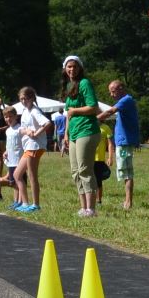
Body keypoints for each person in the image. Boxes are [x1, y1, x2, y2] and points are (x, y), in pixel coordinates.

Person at [59, 56, 102, 216]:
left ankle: (91, 209)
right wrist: (65, 134)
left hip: (87, 130)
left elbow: (93, 107)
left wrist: (75, 111)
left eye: (75, 67)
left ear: (80, 68)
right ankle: (83, 207)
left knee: (85, 169)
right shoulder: (69, 85)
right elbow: (68, 115)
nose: (72, 69)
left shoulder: (84, 83)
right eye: (69, 67)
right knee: (75, 171)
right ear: (65, 68)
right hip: (74, 132)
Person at [99, 79, 140, 211]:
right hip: (123, 142)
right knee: (124, 171)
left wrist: (94, 119)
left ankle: (128, 202)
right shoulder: (125, 101)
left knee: (126, 172)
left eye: (113, 91)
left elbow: (111, 111)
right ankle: (127, 200)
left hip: (125, 142)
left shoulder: (126, 100)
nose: (111, 95)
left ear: (121, 88)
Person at [14, 87, 49, 213]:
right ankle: (24, 203)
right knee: (17, 175)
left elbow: (47, 123)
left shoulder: (34, 111)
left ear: (32, 98)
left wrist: (36, 133)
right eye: (21, 99)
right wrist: (26, 131)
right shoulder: (25, 111)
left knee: (32, 175)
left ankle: (36, 204)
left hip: (35, 146)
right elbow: (22, 129)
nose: (23, 101)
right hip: (27, 146)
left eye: (26, 98)